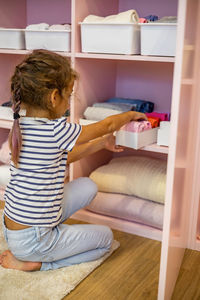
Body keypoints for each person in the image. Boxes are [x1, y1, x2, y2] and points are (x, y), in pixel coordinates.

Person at [0, 49, 147, 272]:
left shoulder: (21, 125)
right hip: (33, 239)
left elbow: (61, 158)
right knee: (105, 239)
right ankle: (37, 263)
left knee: (88, 186)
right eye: (68, 96)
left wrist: (100, 144)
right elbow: (106, 126)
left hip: (14, 229)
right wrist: (130, 115)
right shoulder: (56, 129)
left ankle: (43, 239)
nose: (69, 103)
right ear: (53, 97)